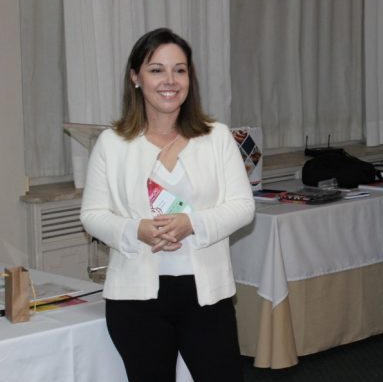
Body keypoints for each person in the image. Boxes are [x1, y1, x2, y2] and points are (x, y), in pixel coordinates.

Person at [81, 28, 255, 381]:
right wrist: (136, 230)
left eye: (180, 70)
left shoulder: (216, 137)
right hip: (135, 298)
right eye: (156, 70)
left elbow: (242, 206)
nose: (170, 81)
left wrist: (192, 224)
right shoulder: (112, 143)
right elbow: (92, 215)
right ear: (135, 77)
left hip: (206, 295)